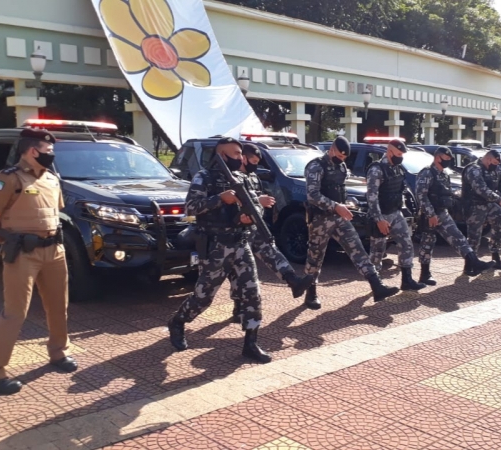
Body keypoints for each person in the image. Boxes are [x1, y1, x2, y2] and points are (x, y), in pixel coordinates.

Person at [0, 128, 76, 395]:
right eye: (48, 151)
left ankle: (58, 353)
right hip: (23, 254)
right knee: (15, 313)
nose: (51, 155)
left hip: (54, 251)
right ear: (33, 151)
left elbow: (54, 214)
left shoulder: (52, 180)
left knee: (58, 306)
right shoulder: (5, 180)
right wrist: (10, 244)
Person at [167, 137, 271, 363]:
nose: (240, 158)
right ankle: (178, 322)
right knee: (204, 297)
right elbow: (191, 208)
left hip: (241, 243)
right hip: (216, 246)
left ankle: (250, 343)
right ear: (222, 155)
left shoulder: (241, 178)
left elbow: (254, 208)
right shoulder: (204, 177)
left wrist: (248, 217)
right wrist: (219, 199)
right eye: (235, 154)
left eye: (240, 154)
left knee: (253, 293)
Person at [302, 136, 399, 309]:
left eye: (344, 158)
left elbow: (339, 189)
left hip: (340, 218)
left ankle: (377, 286)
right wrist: (336, 206)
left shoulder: (342, 167)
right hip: (320, 220)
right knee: (315, 257)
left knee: (358, 250)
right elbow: (312, 195)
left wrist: (346, 204)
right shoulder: (316, 166)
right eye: (339, 156)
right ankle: (311, 293)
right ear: (331, 149)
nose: (341, 160)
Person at [228, 143, 314, 323]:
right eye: (252, 161)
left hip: (254, 227)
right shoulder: (230, 177)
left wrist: (262, 206)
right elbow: (233, 202)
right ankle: (237, 306)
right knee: (235, 272)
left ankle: (293, 281)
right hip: (233, 233)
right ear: (243, 158)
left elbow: (257, 202)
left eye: (257, 162)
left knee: (271, 251)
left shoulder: (253, 177)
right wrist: (258, 200)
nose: (255, 165)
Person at [415, 146, 495, 284]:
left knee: (458, 237)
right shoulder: (427, 173)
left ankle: (473, 262)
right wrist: (430, 214)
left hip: (443, 213)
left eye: (449, 159)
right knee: (428, 243)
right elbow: (421, 195)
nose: (447, 161)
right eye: (445, 159)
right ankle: (425, 274)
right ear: (437, 158)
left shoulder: (444, 174)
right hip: (430, 215)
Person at [366, 139, 425, 291]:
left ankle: (407, 280)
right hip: (381, 215)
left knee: (406, 243)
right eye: (398, 154)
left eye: (402, 154)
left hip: (396, 213)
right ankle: (376, 285)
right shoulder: (376, 170)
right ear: (389, 151)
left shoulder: (397, 169)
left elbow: (401, 191)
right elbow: (372, 197)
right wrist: (379, 220)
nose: (400, 157)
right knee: (377, 252)